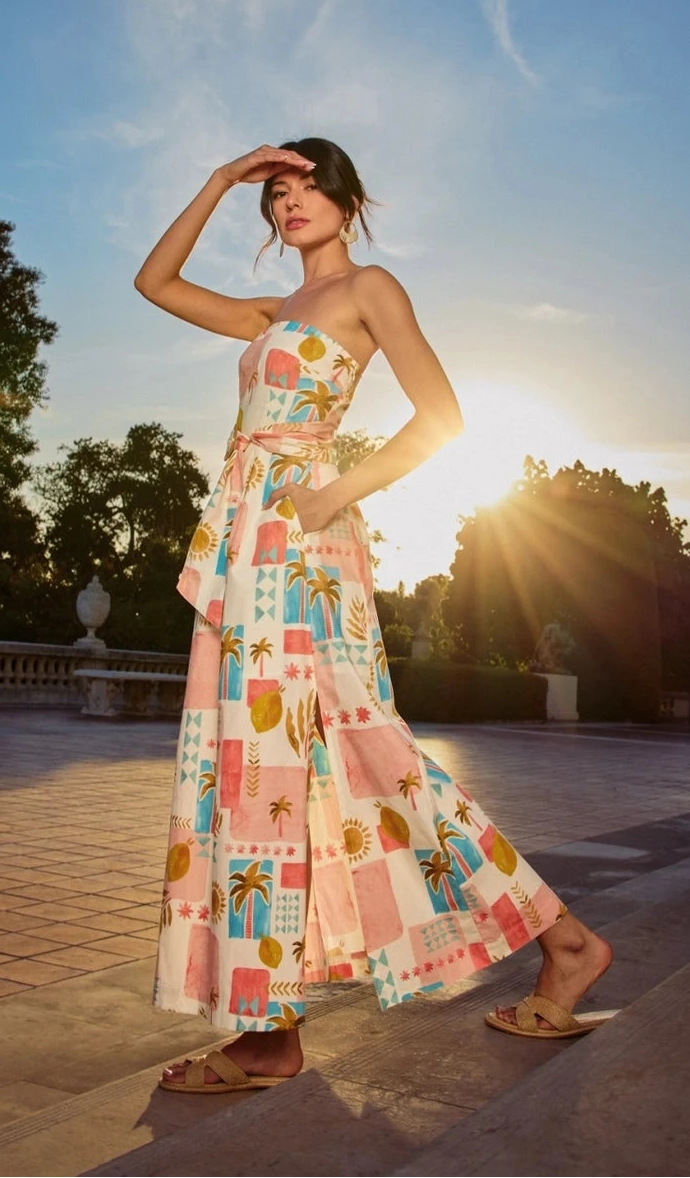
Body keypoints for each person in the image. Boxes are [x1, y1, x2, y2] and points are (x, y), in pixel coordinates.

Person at [135, 139, 613, 1095]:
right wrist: (221, 179)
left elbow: (441, 418)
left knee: (344, 757)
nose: (290, 201)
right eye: (276, 192)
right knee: (270, 772)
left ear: (348, 200)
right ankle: (551, 946)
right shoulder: (276, 310)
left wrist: (327, 496)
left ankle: (278, 1036)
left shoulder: (370, 289)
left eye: (309, 185)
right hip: (246, 543)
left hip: (300, 544)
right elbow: (156, 282)